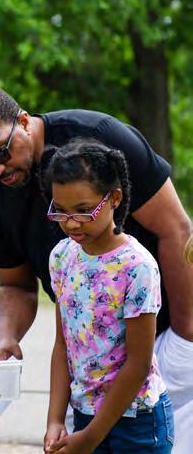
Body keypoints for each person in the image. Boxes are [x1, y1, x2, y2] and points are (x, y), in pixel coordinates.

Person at [0, 84, 192, 452]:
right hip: (90, 375)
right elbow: (17, 286)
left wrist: (185, 337)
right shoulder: (0, 205)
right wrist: (6, 338)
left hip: (160, 339)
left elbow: (176, 230)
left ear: (23, 122)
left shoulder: (102, 138)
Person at [41, 139, 173, 454]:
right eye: (61, 211)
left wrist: (91, 437)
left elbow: (138, 364)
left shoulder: (136, 266)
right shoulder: (62, 257)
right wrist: (55, 419)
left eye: (84, 211)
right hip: (84, 415)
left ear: (114, 198)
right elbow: (63, 345)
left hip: (138, 422)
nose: (70, 222)